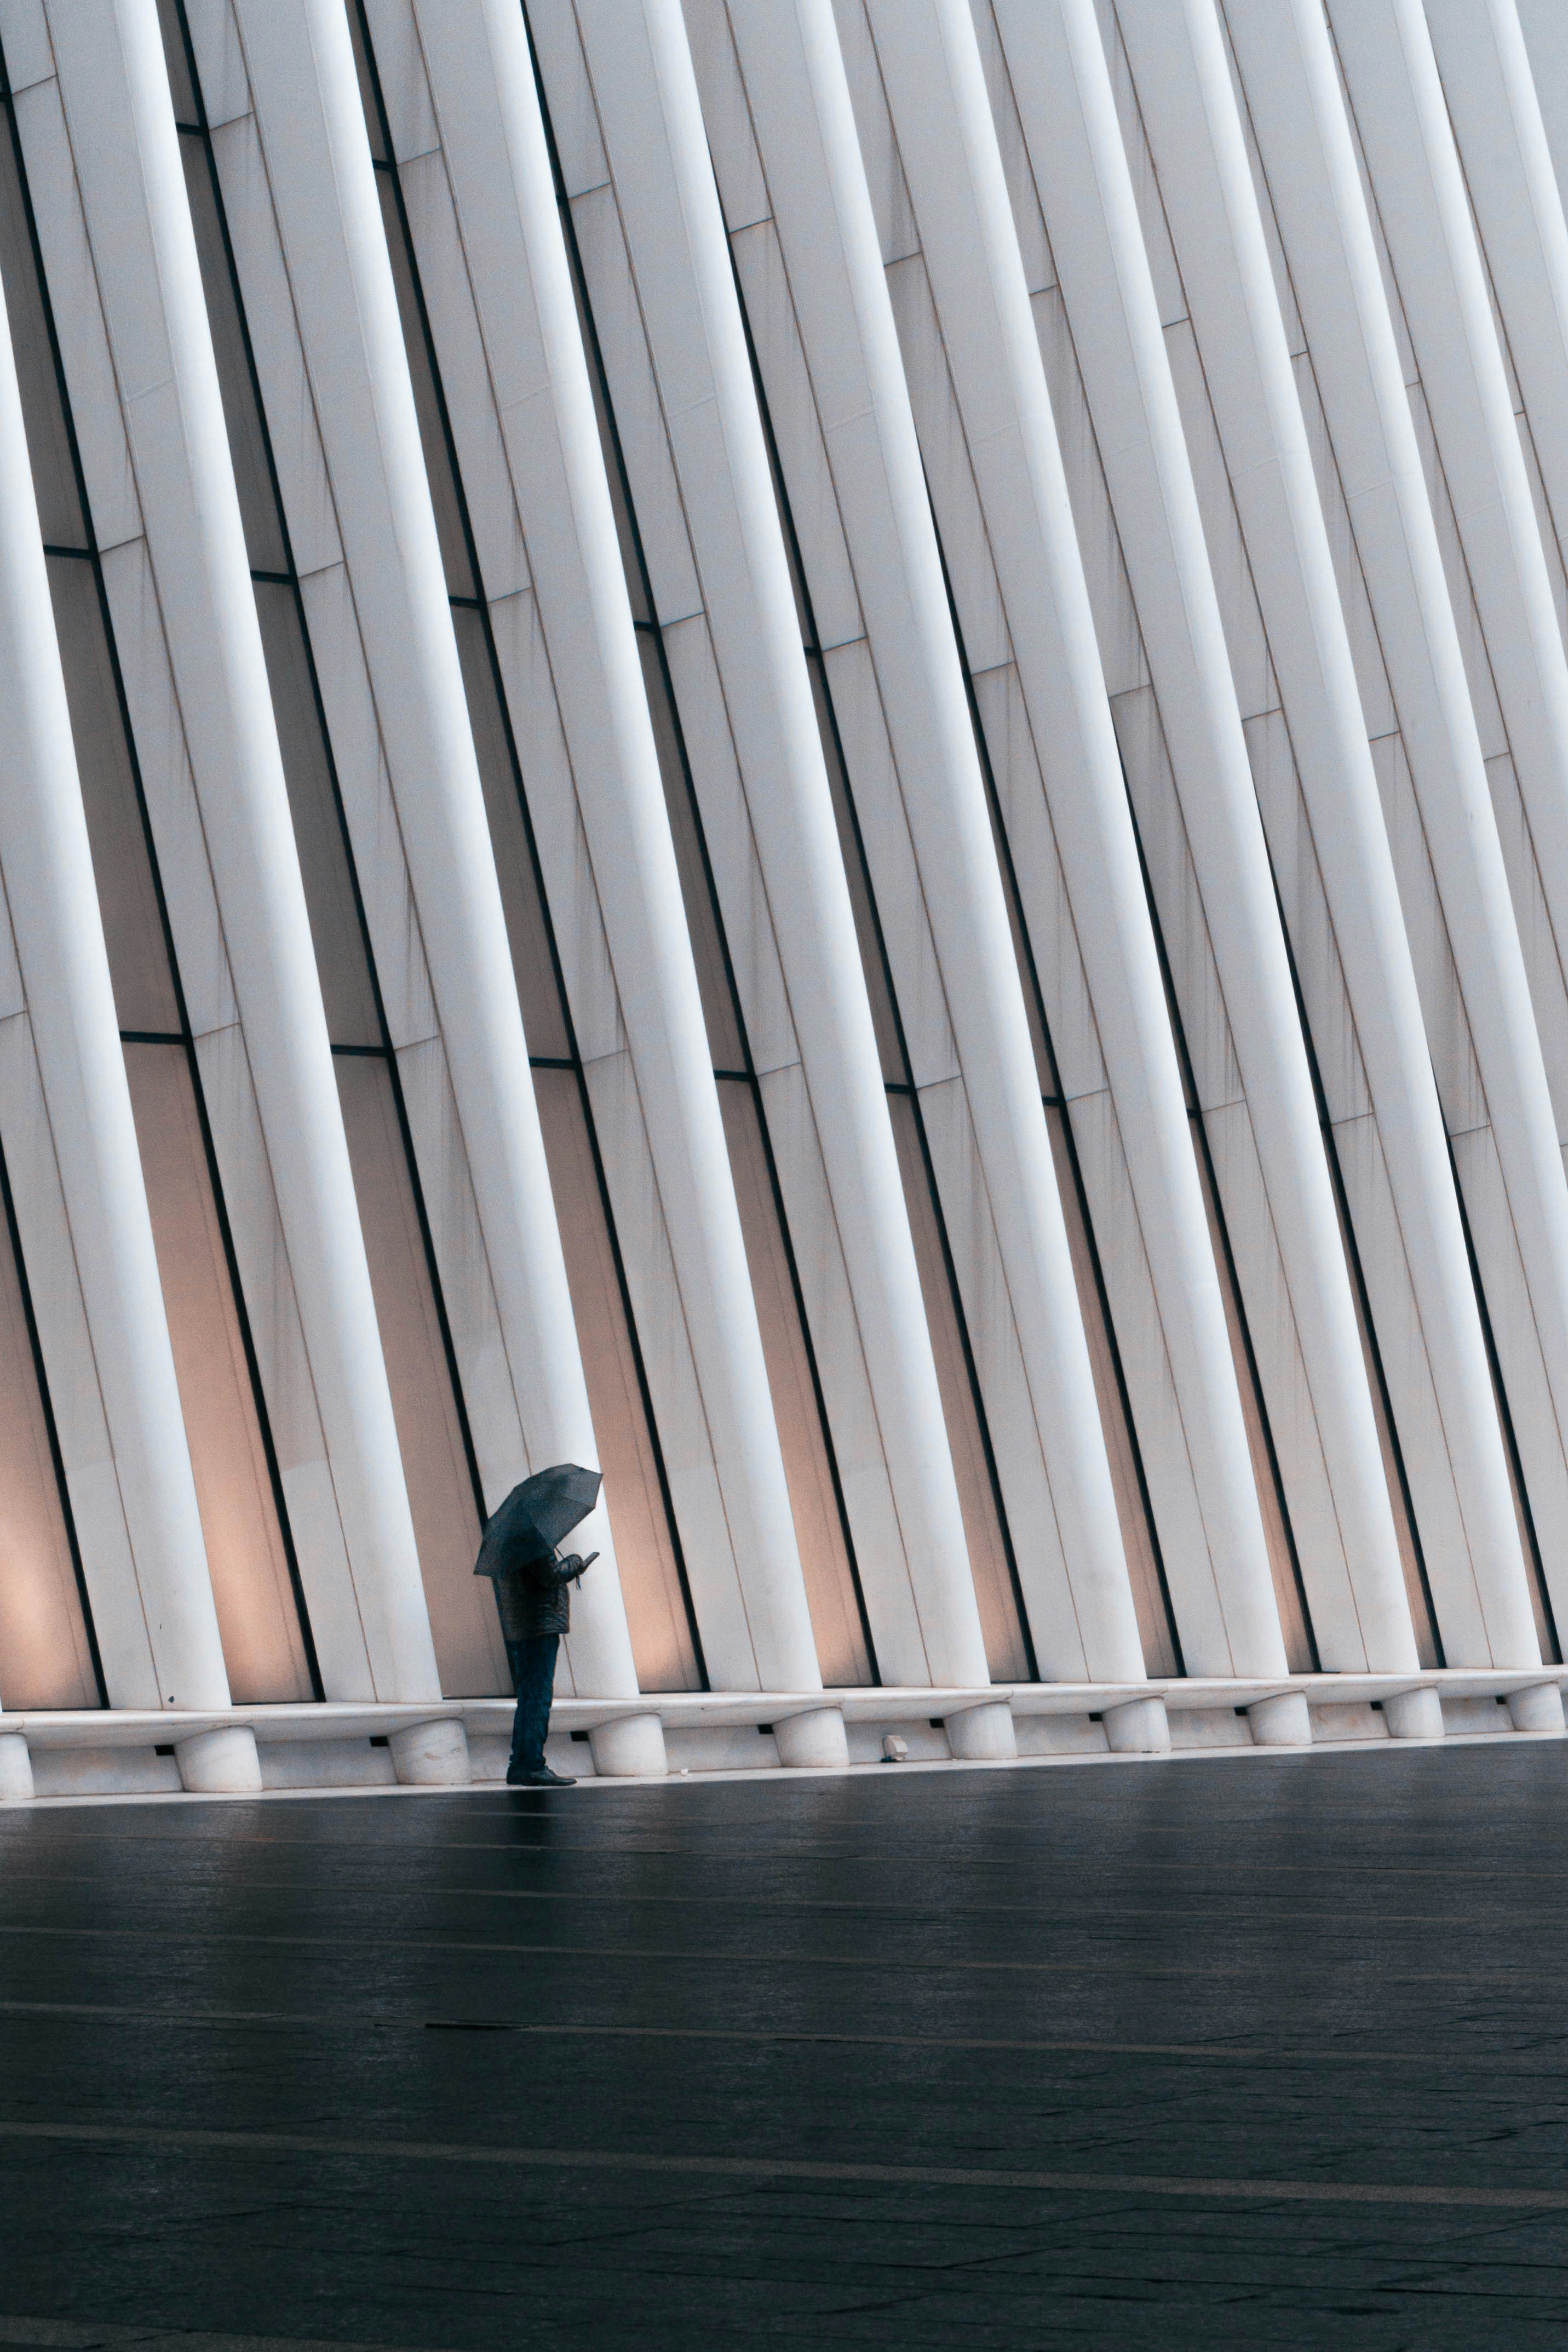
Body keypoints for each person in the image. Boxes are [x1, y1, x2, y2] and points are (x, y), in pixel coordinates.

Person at [493, 1545, 597, 1787]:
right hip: (540, 1626)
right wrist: (574, 1562)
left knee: (529, 1698)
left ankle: (520, 1765)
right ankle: (532, 1766)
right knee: (538, 1698)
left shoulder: (510, 1542)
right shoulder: (533, 1539)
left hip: (523, 1627)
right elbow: (550, 1576)